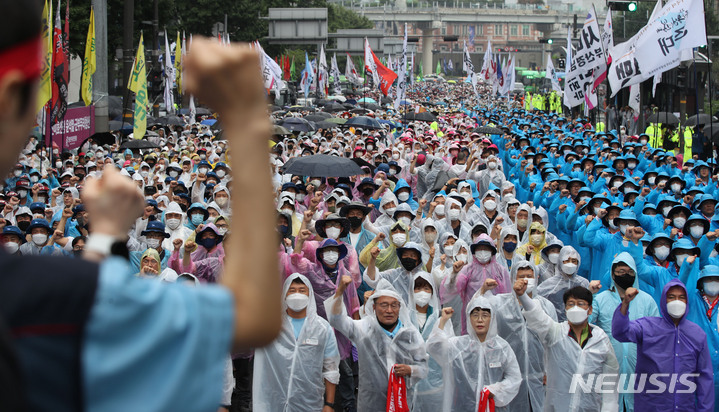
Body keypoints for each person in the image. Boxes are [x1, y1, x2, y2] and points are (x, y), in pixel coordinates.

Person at [0, 22, 282, 411]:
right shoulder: (41, 289)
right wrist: (247, 118)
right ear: (9, 99)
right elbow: (251, 317)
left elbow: (83, 296)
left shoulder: (43, 286)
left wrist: (104, 237)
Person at [327, 276, 428, 412]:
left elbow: (423, 367)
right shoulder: (363, 329)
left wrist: (410, 370)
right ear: (374, 307)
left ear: (400, 308)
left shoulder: (410, 335)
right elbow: (336, 320)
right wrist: (340, 292)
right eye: (384, 305)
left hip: (401, 402)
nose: (389, 310)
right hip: (370, 404)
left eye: (394, 305)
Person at [612, 279, 715, 411]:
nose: (676, 301)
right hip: (651, 406)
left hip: (684, 407)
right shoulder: (647, 326)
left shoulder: (697, 334)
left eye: (681, 297)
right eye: (671, 297)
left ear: (687, 302)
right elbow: (620, 333)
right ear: (663, 301)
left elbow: (705, 378)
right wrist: (625, 304)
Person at [517, 283, 619, 411]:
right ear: (565, 309)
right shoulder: (555, 334)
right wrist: (522, 296)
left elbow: (611, 379)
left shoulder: (600, 339)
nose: (575, 308)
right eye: (571, 304)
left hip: (589, 407)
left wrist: (610, 408)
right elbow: (538, 317)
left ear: (590, 309)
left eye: (581, 304)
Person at [253, 274, 340, 412]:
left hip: (310, 402)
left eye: (302, 290)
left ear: (309, 294)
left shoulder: (322, 328)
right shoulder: (272, 326)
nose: (297, 295)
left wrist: (329, 404)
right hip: (273, 402)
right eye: (292, 291)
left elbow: (331, 368)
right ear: (284, 295)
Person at [479, 260, 557, 411]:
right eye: (521, 276)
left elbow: (553, 341)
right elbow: (477, 309)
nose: (526, 280)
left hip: (538, 376)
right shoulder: (500, 303)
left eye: (530, 275)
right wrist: (482, 290)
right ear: (513, 279)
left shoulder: (546, 306)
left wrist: (549, 369)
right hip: (508, 376)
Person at [589, 252, 659, 412]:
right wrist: (590, 296)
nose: (625, 275)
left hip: (640, 371)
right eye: (621, 272)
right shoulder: (601, 299)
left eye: (629, 272)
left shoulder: (646, 300)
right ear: (613, 274)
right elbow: (586, 323)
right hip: (609, 369)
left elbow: (657, 335)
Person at [427, 296, 522, 411]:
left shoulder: (502, 348)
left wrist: (496, 390)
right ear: (468, 318)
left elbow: (514, 377)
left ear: (492, 318)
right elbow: (434, 346)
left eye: (485, 315)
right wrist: (443, 320)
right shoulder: (459, 346)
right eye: (475, 315)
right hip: (463, 407)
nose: (480, 320)